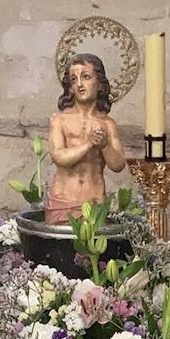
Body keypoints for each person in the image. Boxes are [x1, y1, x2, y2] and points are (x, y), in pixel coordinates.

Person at [46, 54, 127, 224]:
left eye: (86, 77)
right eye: (74, 80)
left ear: (99, 84)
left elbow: (118, 165)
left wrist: (105, 145)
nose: (80, 85)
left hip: (94, 203)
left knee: (93, 250)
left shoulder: (107, 124)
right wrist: (89, 144)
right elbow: (59, 157)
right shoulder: (60, 120)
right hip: (64, 202)